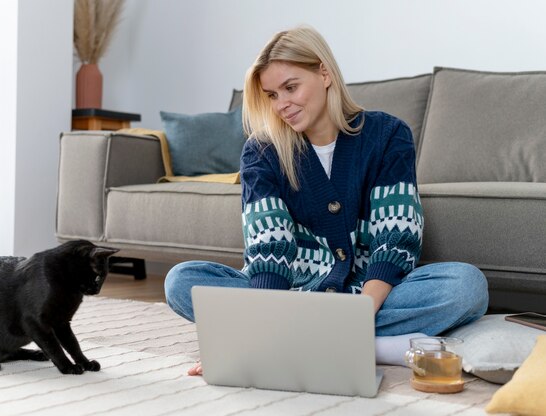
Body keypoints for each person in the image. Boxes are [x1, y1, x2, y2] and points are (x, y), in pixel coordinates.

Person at [164, 25, 488, 376]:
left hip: (369, 296)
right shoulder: (261, 151)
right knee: (182, 281)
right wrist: (256, 331)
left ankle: (302, 342)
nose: (282, 104)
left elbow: (395, 238)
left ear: (324, 73)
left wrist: (360, 312)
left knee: (465, 286)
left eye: (291, 87)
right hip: (289, 296)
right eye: (272, 95)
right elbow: (268, 248)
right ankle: (370, 346)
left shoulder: (387, 135)